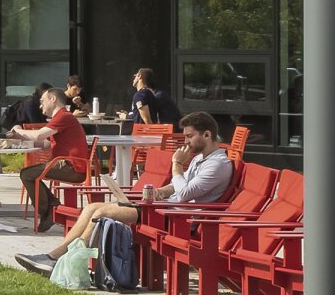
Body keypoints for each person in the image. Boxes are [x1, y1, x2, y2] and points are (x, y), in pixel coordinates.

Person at [16, 112, 232, 275]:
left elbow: (185, 194)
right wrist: (159, 192)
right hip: (163, 208)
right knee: (92, 207)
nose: (185, 142)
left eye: (189, 137)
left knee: (100, 214)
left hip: (177, 219)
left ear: (207, 134)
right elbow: (178, 187)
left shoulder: (218, 165)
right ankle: (54, 256)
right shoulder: (200, 159)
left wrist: (176, 163)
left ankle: (63, 260)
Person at [17, 83, 89, 228]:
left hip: (72, 167)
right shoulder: (63, 117)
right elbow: (47, 144)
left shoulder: (64, 116)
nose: (40, 106)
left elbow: (39, 135)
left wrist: (18, 131)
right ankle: (51, 208)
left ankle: (49, 210)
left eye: (42, 101)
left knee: (27, 174)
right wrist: (21, 141)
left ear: (53, 99)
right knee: (28, 174)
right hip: (69, 165)